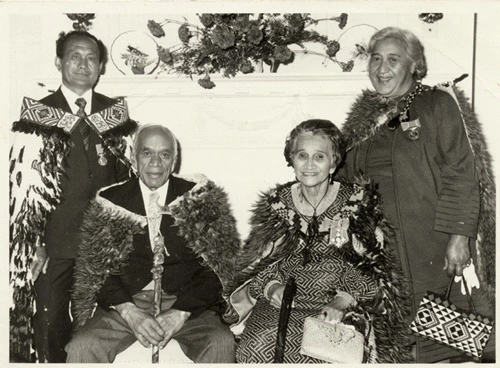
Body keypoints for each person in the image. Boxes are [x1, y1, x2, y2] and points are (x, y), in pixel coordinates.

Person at [336, 26, 495, 363]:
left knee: (444, 339)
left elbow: (462, 172)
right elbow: (343, 177)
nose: (382, 68)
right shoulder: (365, 116)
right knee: (394, 344)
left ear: (413, 65)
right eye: (376, 59)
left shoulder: (436, 103)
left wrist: (460, 236)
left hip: (430, 243)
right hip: (381, 249)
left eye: (393, 59)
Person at [229, 119, 413, 363]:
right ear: (291, 159)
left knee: (329, 352)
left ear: (333, 162)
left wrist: (342, 301)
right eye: (302, 155)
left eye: (319, 157)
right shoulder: (278, 205)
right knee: (255, 347)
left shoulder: (357, 205)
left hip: (341, 301)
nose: (309, 165)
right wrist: (272, 287)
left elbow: (373, 269)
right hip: (283, 303)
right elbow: (259, 263)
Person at [9, 30, 137, 362]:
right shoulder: (37, 115)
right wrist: (32, 241)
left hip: (103, 240)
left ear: (100, 67)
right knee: (48, 320)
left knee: (93, 326)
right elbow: (22, 187)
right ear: (59, 62)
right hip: (54, 241)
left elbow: (126, 181)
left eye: (91, 57)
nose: (83, 64)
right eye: (74, 56)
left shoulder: (114, 115)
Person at [66, 124, 239, 363]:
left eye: (164, 154)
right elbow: (95, 268)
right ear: (133, 158)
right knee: (83, 347)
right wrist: (129, 312)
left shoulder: (200, 197)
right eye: (147, 153)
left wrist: (181, 312)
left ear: (174, 161)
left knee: (221, 342)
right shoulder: (110, 201)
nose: (156, 162)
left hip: (185, 301)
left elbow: (219, 267)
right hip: (127, 299)